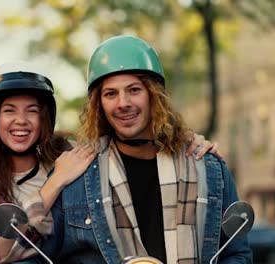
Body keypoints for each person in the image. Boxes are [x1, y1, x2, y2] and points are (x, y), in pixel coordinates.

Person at [0, 61, 221, 264]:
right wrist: (55, 183)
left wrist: (184, 139)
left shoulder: (69, 154)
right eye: (9, 111)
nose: (21, 121)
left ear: (45, 118)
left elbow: (119, 141)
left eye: (32, 111)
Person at [30, 35, 252, 263]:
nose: (123, 103)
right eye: (110, 94)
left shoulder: (208, 167)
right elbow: (32, 254)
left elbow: (236, 254)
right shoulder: (77, 176)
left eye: (134, 90)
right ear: (99, 104)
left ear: (154, 96)